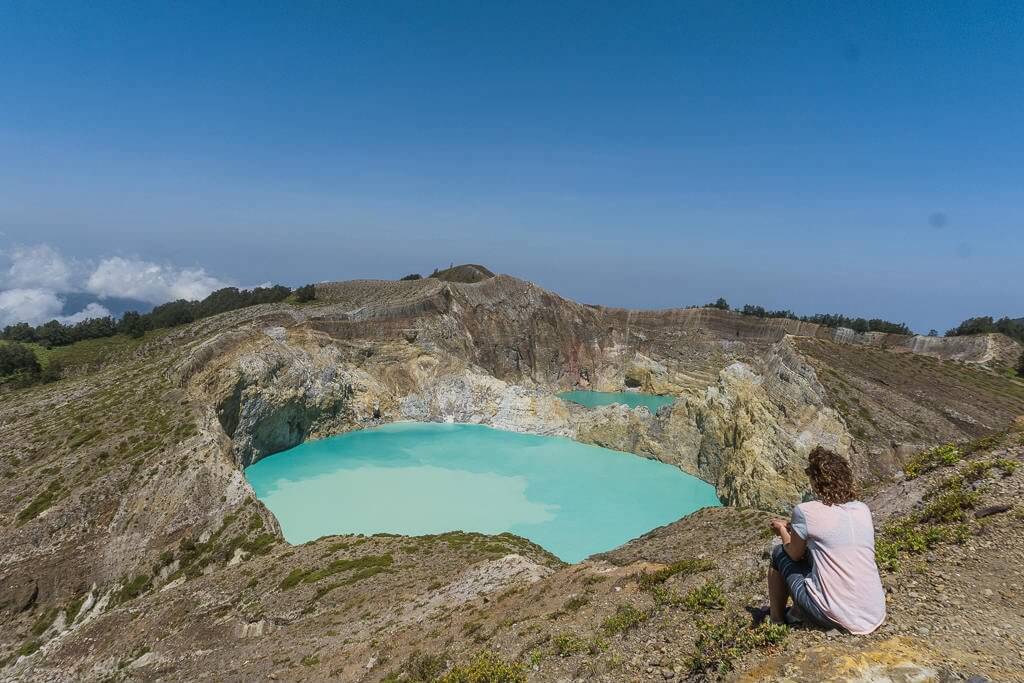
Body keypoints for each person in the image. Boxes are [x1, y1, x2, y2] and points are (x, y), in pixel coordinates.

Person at [766, 446, 886, 634]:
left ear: (815, 481)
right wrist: (796, 527)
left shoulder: (805, 511)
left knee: (779, 553)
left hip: (834, 615)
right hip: (874, 613)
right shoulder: (862, 509)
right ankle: (798, 612)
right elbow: (830, 530)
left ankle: (777, 621)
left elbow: (794, 554)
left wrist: (782, 529)